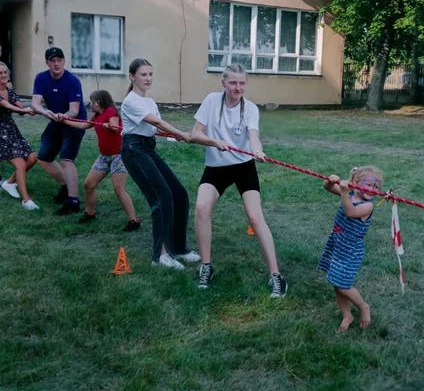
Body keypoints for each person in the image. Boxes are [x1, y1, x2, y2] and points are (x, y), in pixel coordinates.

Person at [190, 63, 287, 297]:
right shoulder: (211, 101)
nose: (237, 87)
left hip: (243, 167)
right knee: (202, 208)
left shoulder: (251, 108)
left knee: (255, 216)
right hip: (216, 167)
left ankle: (276, 276)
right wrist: (215, 142)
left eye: (241, 83)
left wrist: (257, 151)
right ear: (223, 82)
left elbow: (253, 136)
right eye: (232, 82)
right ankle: (206, 266)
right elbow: (195, 133)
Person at [120, 58, 200, 269]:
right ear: (132, 76)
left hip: (148, 148)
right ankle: (160, 256)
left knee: (179, 194)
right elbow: (155, 121)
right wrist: (181, 132)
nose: (148, 78)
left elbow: (156, 128)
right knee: (161, 197)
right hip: (134, 149)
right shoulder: (131, 101)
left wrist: (176, 136)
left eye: (150, 74)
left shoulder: (150, 101)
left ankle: (179, 248)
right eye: (143, 74)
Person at [59, 90, 140, 231]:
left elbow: (115, 127)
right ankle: (90, 213)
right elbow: (82, 125)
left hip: (118, 156)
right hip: (104, 157)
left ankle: (133, 220)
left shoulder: (110, 111)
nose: (90, 104)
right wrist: (64, 119)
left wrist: (109, 126)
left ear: (99, 102)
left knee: (118, 189)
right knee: (89, 185)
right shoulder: (97, 116)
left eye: (92, 101)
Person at [318, 166, 383, 331]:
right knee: (336, 284)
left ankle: (363, 307)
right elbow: (327, 187)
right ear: (355, 182)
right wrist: (330, 180)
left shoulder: (368, 206)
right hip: (338, 245)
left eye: (377, 187)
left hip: (350, 251)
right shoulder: (351, 194)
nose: (373, 190)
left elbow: (350, 212)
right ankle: (347, 315)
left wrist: (345, 192)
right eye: (369, 185)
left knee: (343, 285)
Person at [31, 47, 86, 215]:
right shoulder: (41, 78)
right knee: (44, 157)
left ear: (64, 61)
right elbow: (35, 103)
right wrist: (44, 112)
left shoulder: (72, 81)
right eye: (52, 61)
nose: (56, 64)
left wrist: (64, 116)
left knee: (66, 160)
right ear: (47, 63)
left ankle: (73, 202)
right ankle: (65, 187)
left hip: (74, 123)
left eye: (59, 60)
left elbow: (74, 111)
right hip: (54, 121)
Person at [0, 61, 39, 209]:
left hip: (10, 128)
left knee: (32, 158)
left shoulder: (9, 88)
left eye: (5, 72)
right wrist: (25, 111)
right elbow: (7, 105)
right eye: (0, 73)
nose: (3, 75)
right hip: (1, 133)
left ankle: (9, 183)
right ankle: (26, 201)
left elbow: (16, 104)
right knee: (21, 165)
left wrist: (27, 109)